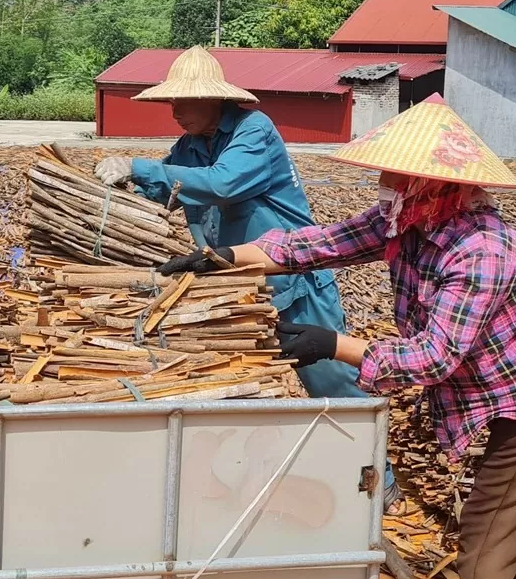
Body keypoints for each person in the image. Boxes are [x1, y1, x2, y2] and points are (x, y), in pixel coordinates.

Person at [163, 95, 516, 579]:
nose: (382, 186)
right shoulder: (410, 219)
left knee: (484, 558)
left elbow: (435, 358)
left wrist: (332, 344)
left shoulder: (479, 251)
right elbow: (321, 243)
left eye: (394, 176)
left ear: (431, 183)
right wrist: (227, 255)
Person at [95, 45, 399, 506]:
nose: (173, 112)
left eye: (181, 102)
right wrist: (128, 187)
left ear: (214, 100)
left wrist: (139, 164)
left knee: (331, 383)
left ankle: (381, 485)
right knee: (232, 381)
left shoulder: (253, 131)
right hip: (232, 287)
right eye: (170, 102)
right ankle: (237, 482)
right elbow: (172, 189)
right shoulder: (190, 145)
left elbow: (223, 183)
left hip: (291, 279)